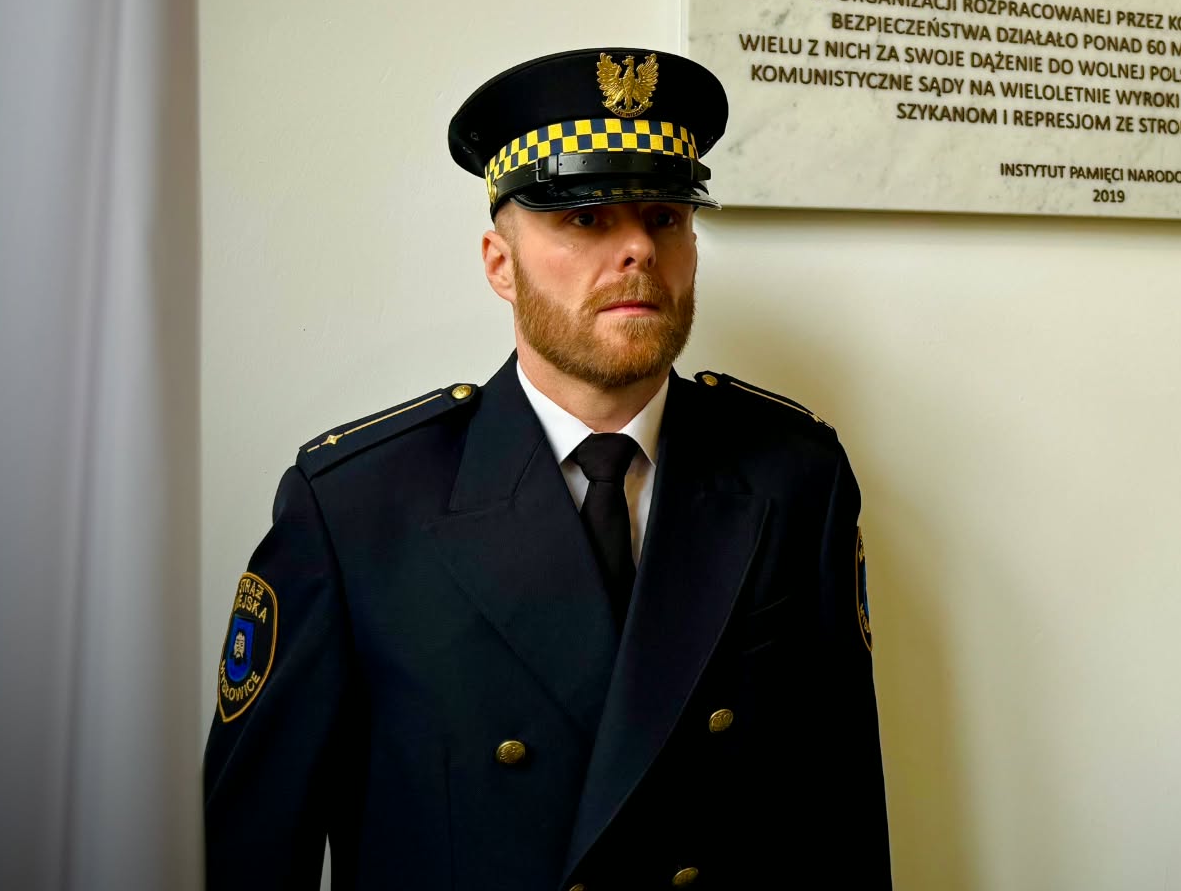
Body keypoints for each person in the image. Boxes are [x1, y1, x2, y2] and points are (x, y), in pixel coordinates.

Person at [204, 47, 889, 890]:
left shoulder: (794, 480)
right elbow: (252, 847)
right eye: (587, 218)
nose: (637, 249)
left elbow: (843, 820)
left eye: (664, 217)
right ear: (501, 264)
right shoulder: (355, 509)